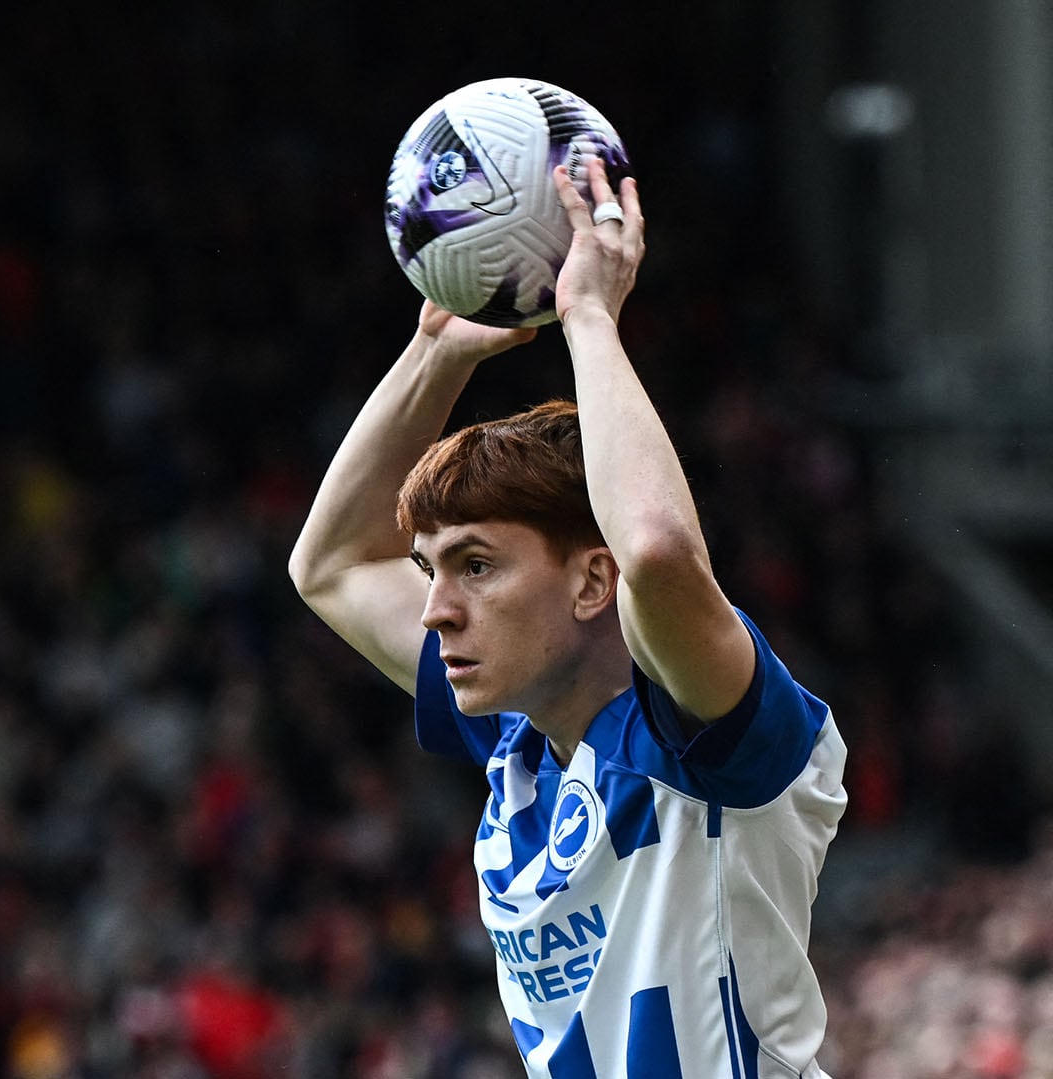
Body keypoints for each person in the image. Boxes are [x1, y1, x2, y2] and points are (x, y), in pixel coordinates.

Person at [289, 159, 846, 1076]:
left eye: (476, 565)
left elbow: (659, 553)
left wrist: (589, 317)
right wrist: (439, 349)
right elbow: (332, 563)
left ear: (594, 584)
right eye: (431, 569)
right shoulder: (517, 746)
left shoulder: (710, 737)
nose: (434, 609)